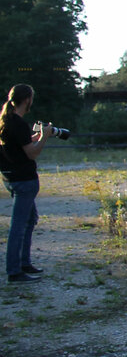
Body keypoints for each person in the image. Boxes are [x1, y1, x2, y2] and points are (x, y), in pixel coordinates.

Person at [0, 84, 48, 283]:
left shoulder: (6, 121)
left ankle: (24, 262)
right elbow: (32, 153)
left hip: (11, 178)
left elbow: (18, 145)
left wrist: (34, 137)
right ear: (27, 100)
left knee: (29, 220)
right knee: (18, 226)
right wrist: (44, 137)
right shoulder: (18, 123)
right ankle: (14, 271)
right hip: (24, 180)